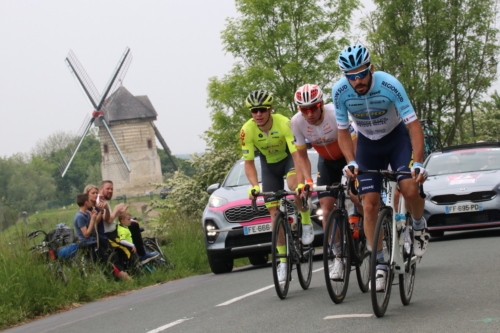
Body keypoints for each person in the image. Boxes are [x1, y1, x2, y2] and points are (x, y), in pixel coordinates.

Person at [333, 45, 429, 291]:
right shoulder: (340, 92)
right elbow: (343, 131)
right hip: (367, 144)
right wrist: (351, 160)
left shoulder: (390, 84)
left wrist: (417, 161)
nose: (357, 81)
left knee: (409, 188)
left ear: (371, 69)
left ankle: (418, 227)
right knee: (369, 204)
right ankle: (380, 264)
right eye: (350, 76)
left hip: (395, 139)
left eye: (361, 74)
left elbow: (414, 125)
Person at [290, 83, 363, 279]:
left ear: (321, 104)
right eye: (304, 109)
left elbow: (353, 142)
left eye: (313, 107)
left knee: (357, 198)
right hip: (327, 162)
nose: (309, 113)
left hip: (348, 155)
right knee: (325, 206)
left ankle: (374, 233)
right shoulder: (297, 122)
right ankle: (338, 256)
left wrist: (353, 166)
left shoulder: (334, 113)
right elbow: (302, 156)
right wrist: (306, 180)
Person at [241, 89, 312, 282]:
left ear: (270, 109)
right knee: (273, 213)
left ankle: (306, 221)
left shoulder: (284, 123)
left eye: (262, 110)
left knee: (293, 185)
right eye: (254, 110)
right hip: (269, 165)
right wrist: (254, 186)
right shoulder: (247, 129)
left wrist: (301, 182)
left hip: (288, 159)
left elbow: (297, 154)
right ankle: (282, 260)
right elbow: (248, 162)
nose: (258, 114)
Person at [98, 180, 159, 264]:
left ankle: (141, 254)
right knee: (133, 226)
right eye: (107, 189)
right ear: (101, 189)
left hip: (113, 229)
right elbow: (108, 221)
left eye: (112, 189)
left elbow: (110, 218)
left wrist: (119, 213)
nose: (110, 191)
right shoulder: (99, 202)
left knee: (133, 224)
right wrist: (116, 210)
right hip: (109, 234)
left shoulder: (104, 201)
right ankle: (141, 255)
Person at [74, 193, 131, 281]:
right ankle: (125, 280)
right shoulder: (80, 216)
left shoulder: (87, 214)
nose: (91, 202)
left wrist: (100, 212)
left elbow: (94, 226)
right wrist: (93, 219)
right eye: (89, 201)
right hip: (88, 244)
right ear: (86, 203)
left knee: (110, 260)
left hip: (94, 241)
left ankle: (120, 279)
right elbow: (86, 234)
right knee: (107, 262)